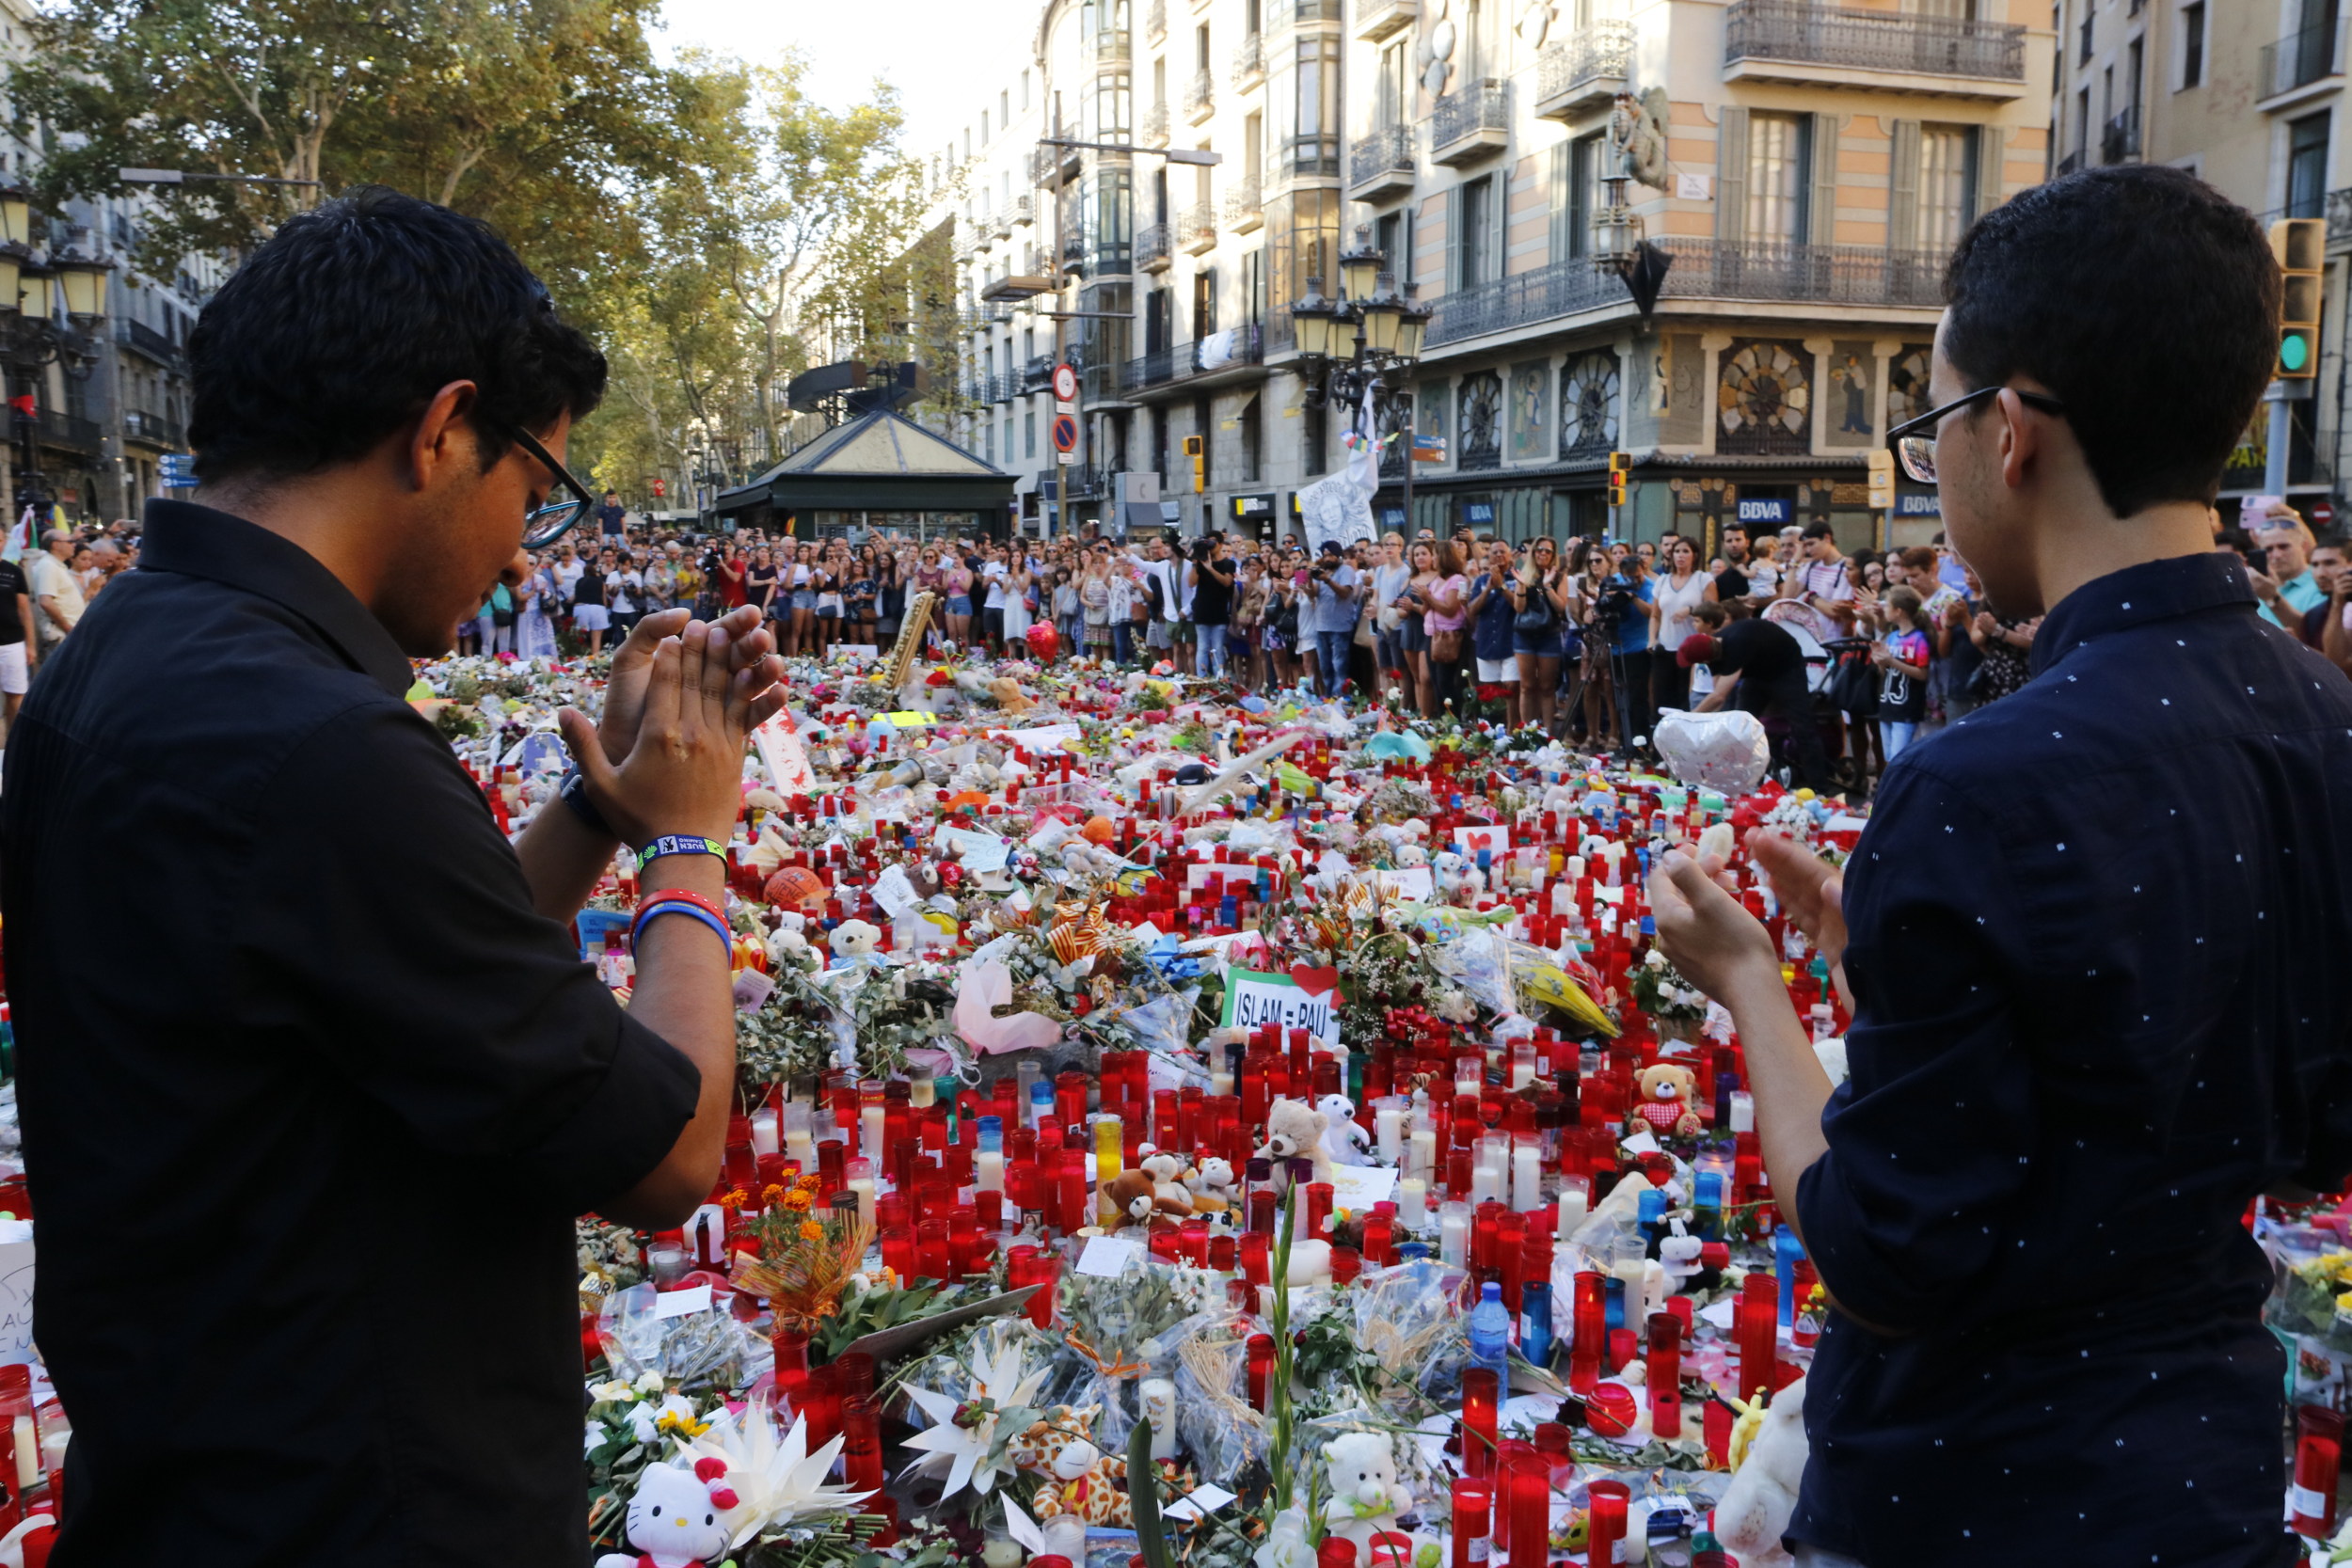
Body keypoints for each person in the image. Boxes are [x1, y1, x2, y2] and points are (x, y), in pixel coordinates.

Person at [0, 188, 787, 1566]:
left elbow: (398, 966)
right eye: (534, 493)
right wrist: (688, 835)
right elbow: (668, 1151)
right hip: (354, 1502)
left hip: (197, 1468)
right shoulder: (315, 745)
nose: (513, 554)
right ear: (442, 429)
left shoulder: (134, 647)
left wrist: (600, 797)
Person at [1651, 164, 2352, 1568]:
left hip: (1979, 1488)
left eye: (1931, 426)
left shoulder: (1984, 776)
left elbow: (1883, 1255)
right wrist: (1871, 957)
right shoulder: (2325, 716)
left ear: (2012, 431)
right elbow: (2223, 1084)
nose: (1936, 470)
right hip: (2205, 1473)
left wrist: (1754, 989)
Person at [1681, 600, 1834, 793]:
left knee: (1802, 727)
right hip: (1757, 673)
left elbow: (1719, 696)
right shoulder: (1714, 646)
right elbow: (1715, 695)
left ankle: (1820, 789)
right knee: (1738, 728)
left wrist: (1689, 718)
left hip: (1786, 669)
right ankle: (1738, 782)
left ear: (1706, 656)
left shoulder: (1735, 647)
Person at [1648, 536, 1716, 716]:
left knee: (1686, 700)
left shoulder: (1703, 579)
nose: (1680, 556)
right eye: (1677, 551)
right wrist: (1652, 639)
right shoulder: (1662, 580)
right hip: (1665, 648)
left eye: (1686, 551)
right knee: (1662, 699)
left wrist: (1691, 610)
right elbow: (1655, 615)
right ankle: (1659, 740)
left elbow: (1714, 612)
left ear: (1694, 555)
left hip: (1692, 651)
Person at [1867, 583, 1930, 760]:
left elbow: (1922, 674)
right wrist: (1880, 660)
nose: (1884, 608)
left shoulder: (1918, 639)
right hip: (1888, 704)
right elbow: (1884, 671)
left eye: (1887, 605)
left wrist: (1891, 661)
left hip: (1906, 708)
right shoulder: (1893, 636)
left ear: (1898, 611)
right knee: (1888, 757)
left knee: (1898, 757)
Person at [1464, 538, 1520, 726]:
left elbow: (1518, 606)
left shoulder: (1518, 578)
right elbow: (1471, 611)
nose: (1498, 555)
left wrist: (1502, 586)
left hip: (1510, 641)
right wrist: (1488, 588)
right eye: (1494, 552)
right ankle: (1495, 732)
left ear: (1510, 554)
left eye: (1502, 551)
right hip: (1487, 641)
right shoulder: (1481, 581)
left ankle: (1513, 731)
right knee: (1490, 691)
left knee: (1511, 687)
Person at [1302, 539, 1359, 698]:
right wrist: (1309, 579)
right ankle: (1329, 698)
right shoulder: (1322, 571)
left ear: (1338, 556)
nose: (1327, 558)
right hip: (1321, 627)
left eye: (1330, 555)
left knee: (1339, 666)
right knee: (1325, 667)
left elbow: (1344, 593)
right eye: (1325, 555)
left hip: (1340, 627)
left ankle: (1340, 699)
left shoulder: (1346, 570)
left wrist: (1327, 579)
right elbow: (1312, 594)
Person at [25, 529, 84, 654]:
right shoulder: (48, 566)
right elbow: (46, 602)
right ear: (55, 545)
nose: (74, 545)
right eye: (70, 541)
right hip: (62, 634)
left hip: (68, 633)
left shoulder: (56, 565)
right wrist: (67, 627)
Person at [1189, 536, 1235, 678]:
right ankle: (1202, 679)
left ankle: (1218, 679)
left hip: (1219, 612)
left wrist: (1210, 568)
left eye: (1212, 543)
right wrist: (1196, 564)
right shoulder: (1200, 563)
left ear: (1220, 544)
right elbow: (1191, 583)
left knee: (1217, 648)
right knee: (1202, 648)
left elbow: (1227, 582)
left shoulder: (1228, 563)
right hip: (1202, 611)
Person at [0, 547, 32, 739]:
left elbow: (24, 610)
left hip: (13, 643)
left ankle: (13, 744)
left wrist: (31, 645)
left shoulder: (14, 571)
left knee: (16, 695)